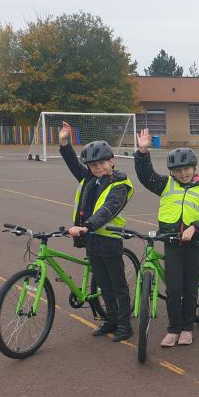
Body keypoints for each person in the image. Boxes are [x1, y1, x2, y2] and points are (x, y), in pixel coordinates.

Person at [134, 130, 199, 347]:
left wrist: (196, 228)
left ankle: (187, 328)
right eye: (178, 170)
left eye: (187, 169)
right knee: (173, 289)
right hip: (172, 244)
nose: (183, 173)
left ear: (194, 168)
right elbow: (146, 176)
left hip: (194, 246)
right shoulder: (165, 185)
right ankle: (173, 328)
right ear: (172, 172)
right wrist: (143, 152)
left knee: (190, 289)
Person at [58, 121, 134, 341]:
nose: (98, 168)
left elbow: (108, 210)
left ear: (112, 161)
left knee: (118, 285)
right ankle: (110, 320)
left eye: (102, 163)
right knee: (103, 283)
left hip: (109, 239)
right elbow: (74, 164)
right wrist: (64, 143)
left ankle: (124, 324)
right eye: (93, 165)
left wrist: (86, 226)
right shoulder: (90, 179)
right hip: (91, 239)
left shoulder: (120, 184)